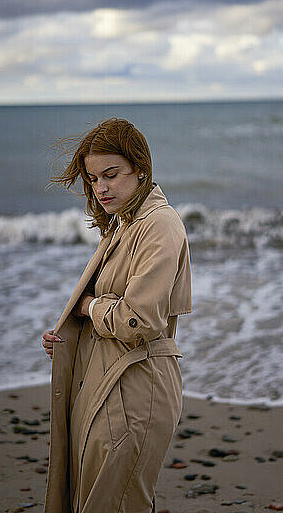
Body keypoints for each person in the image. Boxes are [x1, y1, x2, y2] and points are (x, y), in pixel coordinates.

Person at [42, 118, 192, 513]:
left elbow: (138, 320)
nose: (101, 188)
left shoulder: (158, 223)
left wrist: (88, 308)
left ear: (139, 169)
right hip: (110, 383)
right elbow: (109, 313)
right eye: (92, 179)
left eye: (111, 174)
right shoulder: (124, 224)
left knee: (118, 503)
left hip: (138, 385)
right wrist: (67, 337)